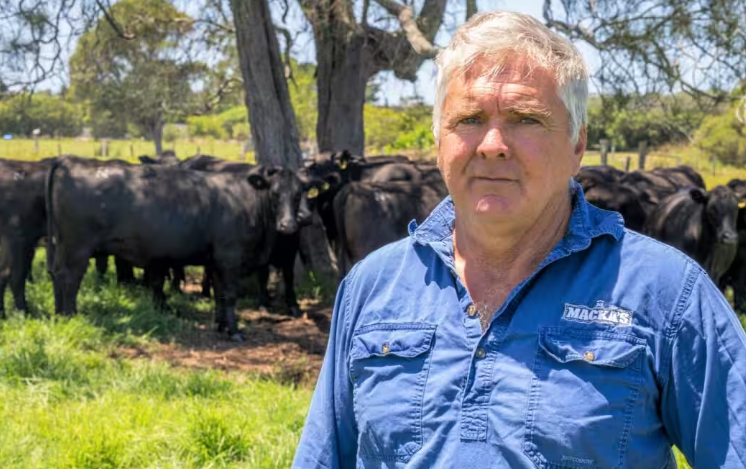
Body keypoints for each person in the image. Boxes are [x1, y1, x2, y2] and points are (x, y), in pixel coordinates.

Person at [292, 11, 746, 469]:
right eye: (469, 118)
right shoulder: (373, 285)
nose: (492, 144)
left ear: (577, 145)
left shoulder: (666, 291)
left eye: (525, 119)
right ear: (439, 142)